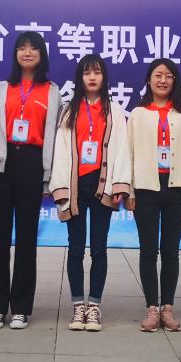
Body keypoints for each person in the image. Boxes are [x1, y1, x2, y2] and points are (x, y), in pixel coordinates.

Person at [0, 31, 60, 330]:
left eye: (33, 48)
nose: (27, 52)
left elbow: (54, 137)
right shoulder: (1, 89)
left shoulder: (52, 91)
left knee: (26, 239)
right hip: (2, 163)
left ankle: (21, 308)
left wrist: (49, 178)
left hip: (32, 164)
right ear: (15, 54)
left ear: (41, 54)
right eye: (22, 48)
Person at [50, 54, 132, 332]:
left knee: (99, 248)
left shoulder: (114, 110)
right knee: (75, 248)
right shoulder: (69, 110)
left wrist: (120, 185)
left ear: (104, 77)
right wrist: (61, 187)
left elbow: (122, 148)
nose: (92, 77)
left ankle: (94, 306)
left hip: (102, 185)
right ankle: (78, 306)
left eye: (97, 72)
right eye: (87, 73)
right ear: (80, 77)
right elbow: (61, 150)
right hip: (75, 185)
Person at [126, 58, 181, 332]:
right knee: (148, 251)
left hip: (176, 188)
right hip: (146, 188)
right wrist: (129, 190)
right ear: (148, 80)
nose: (163, 80)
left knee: (171, 252)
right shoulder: (138, 114)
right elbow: (128, 154)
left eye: (169, 76)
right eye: (158, 75)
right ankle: (151, 308)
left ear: (175, 81)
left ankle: (167, 308)